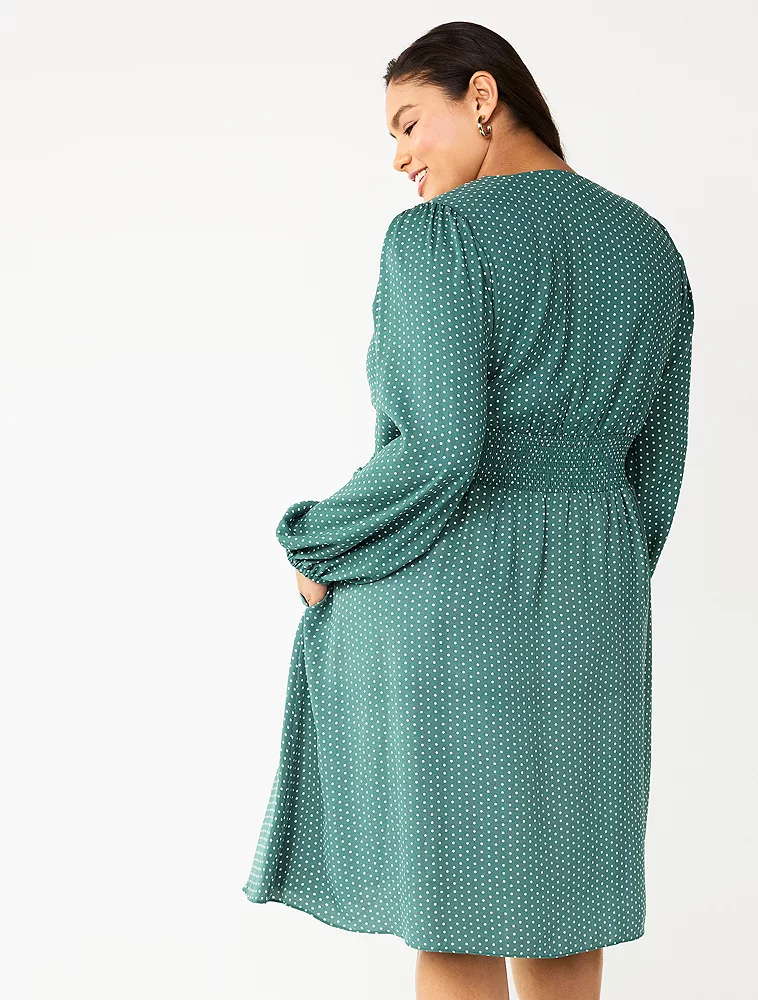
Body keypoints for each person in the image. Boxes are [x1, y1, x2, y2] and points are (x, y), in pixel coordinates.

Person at [242, 21, 695, 1000]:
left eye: (410, 123)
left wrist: (317, 540)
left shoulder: (441, 236)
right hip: (598, 598)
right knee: (565, 911)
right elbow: (655, 475)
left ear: (481, 96)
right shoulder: (650, 248)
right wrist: (598, 577)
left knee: (456, 914)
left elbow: (441, 448)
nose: (399, 156)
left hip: (457, 600)